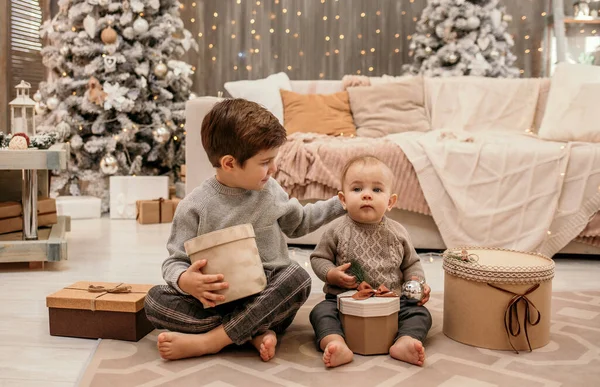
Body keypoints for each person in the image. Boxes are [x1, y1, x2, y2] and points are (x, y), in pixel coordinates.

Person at [145, 98, 345, 361]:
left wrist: (339, 204)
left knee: (298, 278)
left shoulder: (270, 191)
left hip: (268, 295)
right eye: (265, 162)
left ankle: (212, 340)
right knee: (153, 301)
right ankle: (250, 331)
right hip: (220, 301)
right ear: (229, 163)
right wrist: (185, 281)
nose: (273, 169)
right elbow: (174, 261)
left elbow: (300, 223)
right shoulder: (194, 206)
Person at [309, 155, 432, 368]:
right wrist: (331, 274)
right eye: (357, 189)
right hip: (344, 301)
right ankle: (335, 342)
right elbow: (319, 258)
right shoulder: (336, 230)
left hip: (393, 300)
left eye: (376, 190)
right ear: (343, 199)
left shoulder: (397, 232)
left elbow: (412, 263)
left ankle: (405, 341)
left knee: (420, 313)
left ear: (391, 201)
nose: (366, 195)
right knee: (320, 312)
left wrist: (416, 282)